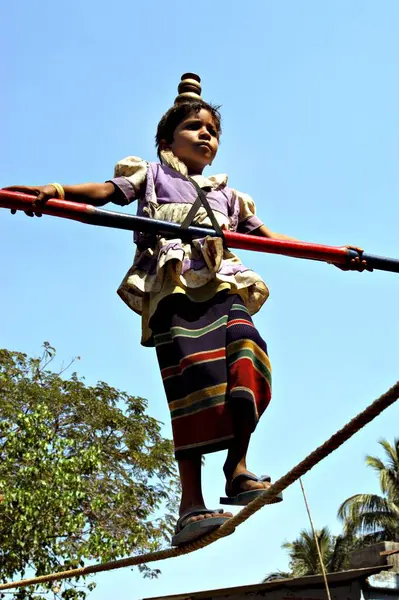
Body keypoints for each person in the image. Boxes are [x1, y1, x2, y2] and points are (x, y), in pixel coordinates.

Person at [4, 73, 367, 546]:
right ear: (164, 140)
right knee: (194, 384)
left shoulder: (230, 195)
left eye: (213, 131)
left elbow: (271, 239)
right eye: (195, 127)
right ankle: (191, 506)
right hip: (173, 289)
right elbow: (105, 193)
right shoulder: (149, 175)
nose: (206, 136)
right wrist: (53, 190)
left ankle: (236, 470)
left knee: (249, 362)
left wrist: (329, 254)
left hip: (222, 285)